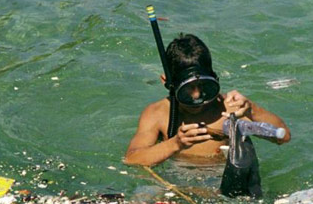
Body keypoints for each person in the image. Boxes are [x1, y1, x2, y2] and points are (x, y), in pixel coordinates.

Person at [124, 34, 291, 167]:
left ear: (214, 78)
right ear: (167, 82)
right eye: (188, 89)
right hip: (176, 184)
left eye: (204, 86)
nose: (197, 96)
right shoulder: (158, 113)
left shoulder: (230, 108)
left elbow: (283, 137)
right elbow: (132, 159)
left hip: (220, 186)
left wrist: (252, 110)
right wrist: (175, 143)